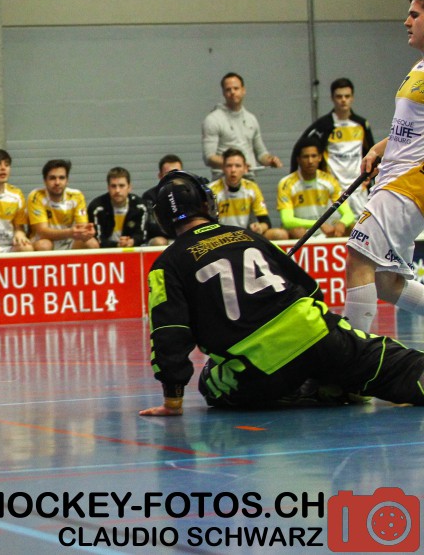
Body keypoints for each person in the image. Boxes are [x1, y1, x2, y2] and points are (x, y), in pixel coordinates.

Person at [139, 170, 424, 416]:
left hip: (260, 366)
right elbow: (312, 290)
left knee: (210, 382)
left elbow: (169, 333)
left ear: (162, 218)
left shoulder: (166, 264)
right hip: (316, 333)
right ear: (207, 203)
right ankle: (336, 378)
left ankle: (302, 389)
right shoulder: (248, 236)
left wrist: (173, 401)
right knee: (392, 365)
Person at [344, 0, 424, 333]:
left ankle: (352, 358)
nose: (406, 21)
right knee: (385, 282)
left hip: (410, 183)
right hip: (394, 178)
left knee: (358, 256)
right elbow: (410, 132)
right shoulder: (418, 68)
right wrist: (378, 150)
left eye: (415, 15)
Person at [289, 77, 375, 217]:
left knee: (362, 227)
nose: (343, 100)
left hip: (358, 189)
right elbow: (300, 149)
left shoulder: (361, 124)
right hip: (334, 190)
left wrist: (370, 177)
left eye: (347, 96)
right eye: (339, 96)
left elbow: (372, 153)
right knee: (336, 227)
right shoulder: (323, 125)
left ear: (352, 98)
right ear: (332, 98)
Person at [201, 72, 283, 180]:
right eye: (228, 89)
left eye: (236, 88)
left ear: (243, 90)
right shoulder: (213, 120)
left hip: (249, 181)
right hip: (223, 181)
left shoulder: (251, 119)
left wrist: (270, 160)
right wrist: (236, 165)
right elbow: (209, 158)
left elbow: (261, 153)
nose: (232, 92)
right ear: (223, 93)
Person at [277, 136, 355, 239]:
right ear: (298, 159)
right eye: (306, 157)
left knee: (353, 227)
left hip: (327, 232)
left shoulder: (330, 181)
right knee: (294, 230)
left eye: (314, 156)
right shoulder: (286, 183)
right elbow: (287, 220)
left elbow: (349, 214)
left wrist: (342, 223)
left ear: (320, 158)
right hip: (302, 233)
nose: (310, 161)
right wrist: (318, 224)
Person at [209, 148, 287, 241]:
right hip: (220, 238)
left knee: (279, 234)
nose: (233, 170)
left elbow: (266, 222)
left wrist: (259, 227)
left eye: (238, 166)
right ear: (223, 168)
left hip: (246, 236)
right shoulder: (212, 190)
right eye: (229, 166)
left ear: (245, 168)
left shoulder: (252, 188)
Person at [27, 159, 98, 251]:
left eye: (61, 178)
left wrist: (86, 233)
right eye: (52, 178)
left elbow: (82, 227)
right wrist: (70, 233)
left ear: (67, 180)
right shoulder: (36, 196)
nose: (57, 182)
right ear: (45, 181)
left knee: (92, 243)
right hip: (45, 240)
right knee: (44, 245)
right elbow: (42, 232)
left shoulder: (77, 196)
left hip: (69, 241)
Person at [87, 167, 151, 248]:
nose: (117, 190)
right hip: (105, 250)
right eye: (113, 186)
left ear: (129, 187)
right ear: (108, 188)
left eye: (121, 186)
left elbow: (142, 234)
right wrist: (117, 245)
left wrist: (132, 241)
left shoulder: (140, 206)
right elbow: (97, 238)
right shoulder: (97, 208)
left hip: (132, 249)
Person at [141, 154, 184, 246]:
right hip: (162, 238)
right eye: (168, 174)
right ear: (160, 176)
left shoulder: (189, 193)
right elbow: (151, 226)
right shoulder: (150, 196)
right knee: (159, 242)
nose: (173, 177)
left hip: (184, 233)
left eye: (177, 173)